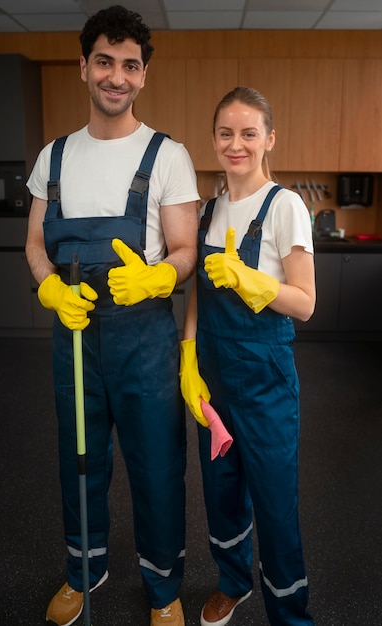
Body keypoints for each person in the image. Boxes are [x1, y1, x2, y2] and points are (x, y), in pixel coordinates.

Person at [25, 6, 199, 626]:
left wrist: (160, 274)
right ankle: (84, 571)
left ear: (143, 75)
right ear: (84, 67)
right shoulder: (54, 157)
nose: (116, 76)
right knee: (81, 458)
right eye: (105, 61)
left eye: (129, 65)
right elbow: (35, 246)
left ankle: (163, 588)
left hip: (144, 337)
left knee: (156, 466)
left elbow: (184, 253)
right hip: (74, 335)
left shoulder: (168, 155)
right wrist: (48, 288)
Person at [179, 86, 316, 626]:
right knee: (222, 491)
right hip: (213, 376)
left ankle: (290, 614)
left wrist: (253, 281)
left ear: (268, 140)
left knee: (276, 506)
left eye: (248, 133)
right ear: (214, 140)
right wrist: (187, 354)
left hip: (265, 379)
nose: (236, 144)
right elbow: (200, 295)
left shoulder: (285, 207)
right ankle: (233, 582)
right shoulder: (210, 209)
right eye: (226, 133)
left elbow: (304, 303)